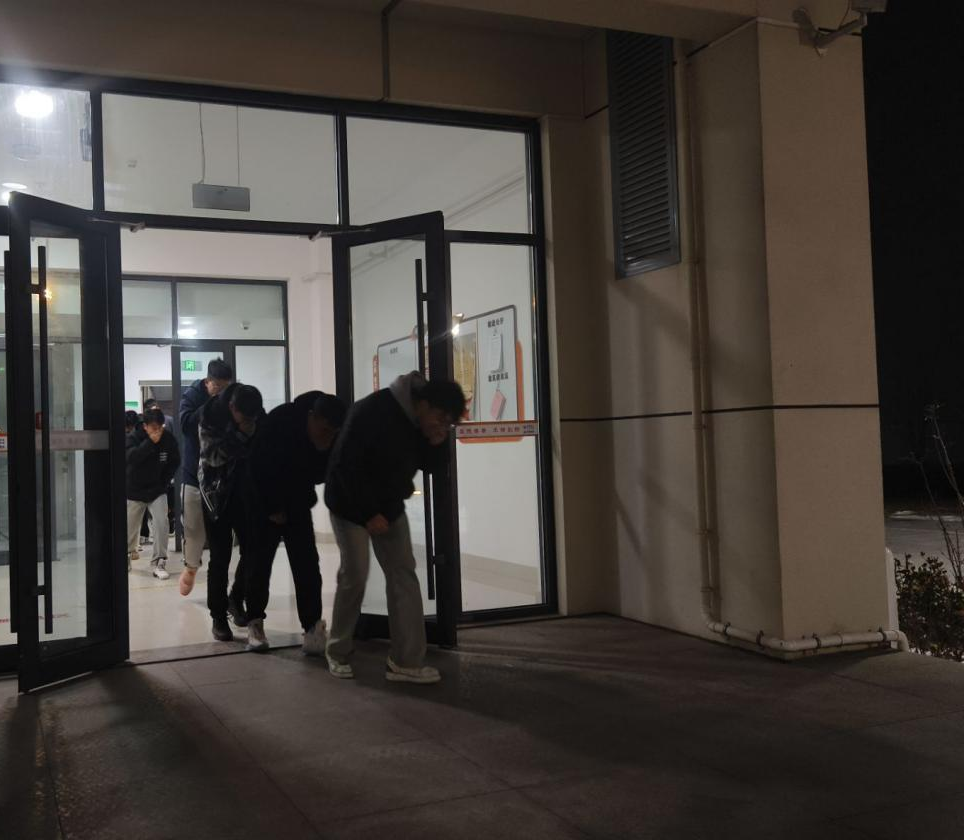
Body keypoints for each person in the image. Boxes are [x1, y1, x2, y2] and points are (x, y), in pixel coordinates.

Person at [324, 371, 465, 684]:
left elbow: (431, 465)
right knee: (355, 574)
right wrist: (368, 512)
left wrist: (437, 443)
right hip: (349, 504)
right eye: (440, 419)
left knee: (403, 574)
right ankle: (337, 651)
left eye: (448, 424)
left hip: (389, 505)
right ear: (423, 404)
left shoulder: (423, 423)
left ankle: (406, 661)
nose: (441, 426)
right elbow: (345, 466)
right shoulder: (372, 411)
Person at [245, 391, 347, 653]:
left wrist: (322, 452)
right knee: (259, 564)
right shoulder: (280, 421)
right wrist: (271, 507)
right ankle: (254, 622)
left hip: (298, 503)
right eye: (323, 430)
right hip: (263, 503)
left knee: (307, 565)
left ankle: (312, 627)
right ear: (312, 417)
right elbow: (256, 465)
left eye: (332, 433)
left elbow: (322, 472)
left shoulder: (331, 436)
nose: (326, 437)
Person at [198, 383, 263, 643]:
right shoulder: (210, 415)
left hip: (246, 491)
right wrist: (241, 436)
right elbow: (212, 457)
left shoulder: (254, 412)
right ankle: (218, 615)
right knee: (220, 555)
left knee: (254, 550)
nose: (249, 422)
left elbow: (261, 450)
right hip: (216, 493)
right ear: (232, 407)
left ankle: (236, 598)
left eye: (252, 418)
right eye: (244, 417)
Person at [177, 359, 233, 598]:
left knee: (221, 532)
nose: (221, 391)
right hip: (194, 474)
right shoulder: (191, 396)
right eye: (217, 386)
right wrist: (210, 405)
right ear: (207, 381)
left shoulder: (232, 397)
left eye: (225, 387)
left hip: (222, 475)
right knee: (193, 528)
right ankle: (191, 567)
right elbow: (185, 425)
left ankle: (219, 590)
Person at [125, 407, 180, 579]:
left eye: (160, 427)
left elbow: (175, 461)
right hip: (135, 489)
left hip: (157, 489)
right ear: (145, 426)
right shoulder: (133, 438)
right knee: (130, 526)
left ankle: (159, 561)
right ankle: (126, 555)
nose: (157, 431)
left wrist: (164, 482)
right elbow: (132, 458)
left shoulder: (168, 439)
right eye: (153, 428)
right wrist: (150, 442)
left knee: (161, 522)